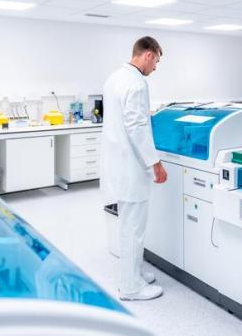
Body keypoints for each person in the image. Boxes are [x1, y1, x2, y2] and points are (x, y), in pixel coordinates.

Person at [100, 36, 168, 301]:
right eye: (156, 62)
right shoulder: (138, 83)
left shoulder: (115, 77)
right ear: (148, 55)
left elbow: (124, 118)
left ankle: (135, 273)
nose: (155, 68)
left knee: (128, 225)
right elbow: (136, 127)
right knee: (133, 228)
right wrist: (155, 162)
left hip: (118, 164)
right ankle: (131, 288)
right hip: (131, 168)